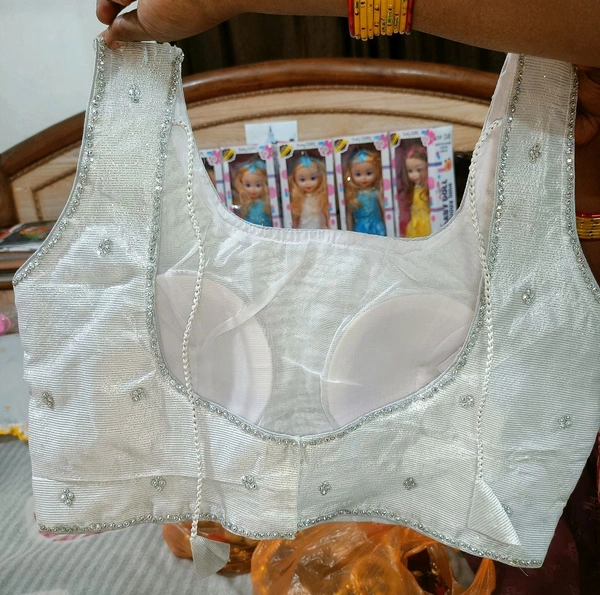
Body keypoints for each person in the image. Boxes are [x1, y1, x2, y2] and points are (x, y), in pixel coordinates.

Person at [344, 149, 386, 236]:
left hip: (376, 226)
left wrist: (388, 224)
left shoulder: (376, 192)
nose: (364, 178)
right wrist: (349, 232)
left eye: (369, 173)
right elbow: (349, 215)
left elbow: (384, 210)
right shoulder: (353, 195)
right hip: (360, 228)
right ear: (351, 174)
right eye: (358, 174)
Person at [289, 155, 330, 229]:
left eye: (313, 178)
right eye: (302, 180)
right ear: (295, 180)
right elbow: (295, 219)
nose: (308, 183)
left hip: (321, 230)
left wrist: (330, 227)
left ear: (320, 177)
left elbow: (327, 214)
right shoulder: (298, 199)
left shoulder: (321, 197)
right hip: (304, 230)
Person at [402, 144, 432, 238]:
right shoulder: (413, 188)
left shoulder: (429, 189)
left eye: (419, 170)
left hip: (427, 224)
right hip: (414, 225)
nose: (414, 175)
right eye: (410, 171)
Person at [233, 159, 273, 227]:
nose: (253, 189)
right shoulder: (242, 202)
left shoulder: (267, 202)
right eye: (248, 185)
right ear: (241, 184)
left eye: (258, 185)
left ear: (265, 184)